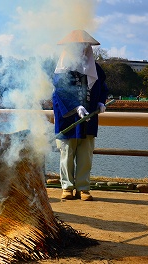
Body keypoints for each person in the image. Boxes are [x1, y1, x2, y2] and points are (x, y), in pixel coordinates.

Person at [52, 29, 109, 201]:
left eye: (84, 46)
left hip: (89, 116)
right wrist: (75, 107)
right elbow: (59, 92)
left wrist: (101, 101)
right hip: (68, 116)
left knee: (86, 154)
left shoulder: (95, 68)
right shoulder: (62, 69)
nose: (81, 49)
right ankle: (67, 187)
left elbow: (103, 87)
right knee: (67, 153)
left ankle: (83, 188)